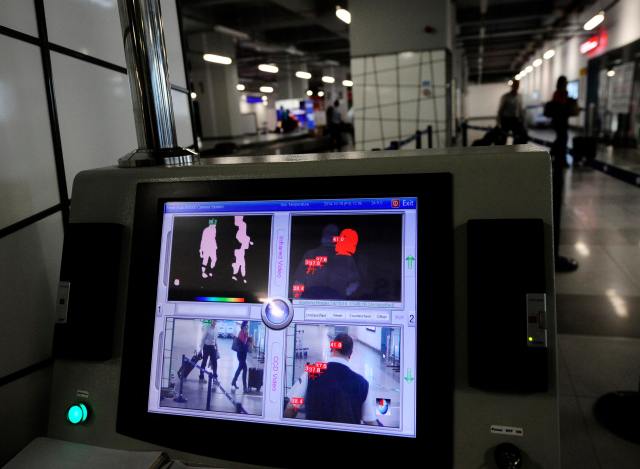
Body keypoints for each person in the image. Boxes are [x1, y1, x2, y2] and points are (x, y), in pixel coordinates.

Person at [284, 333, 377, 425]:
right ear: (350, 354)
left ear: (332, 348)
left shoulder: (312, 372)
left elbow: (292, 407)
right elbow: (370, 421)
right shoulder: (362, 383)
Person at [545, 76, 580, 272]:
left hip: (560, 125)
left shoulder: (559, 95)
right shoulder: (562, 96)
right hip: (561, 124)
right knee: (562, 139)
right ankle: (559, 159)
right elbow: (566, 109)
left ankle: (559, 158)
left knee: (562, 139)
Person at [231, 321, 251, 392]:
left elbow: (246, 342)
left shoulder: (246, 333)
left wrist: (249, 340)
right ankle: (245, 387)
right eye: (246, 326)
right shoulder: (241, 333)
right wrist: (247, 343)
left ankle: (233, 381)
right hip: (240, 354)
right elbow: (242, 344)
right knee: (245, 369)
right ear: (243, 326)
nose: (247, 327)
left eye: (247, 326)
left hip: (244, 354)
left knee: (240, 368)